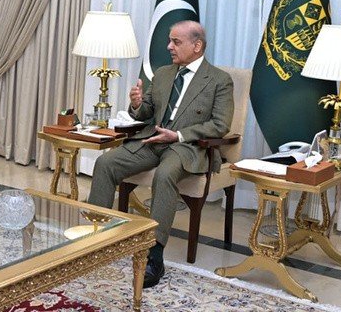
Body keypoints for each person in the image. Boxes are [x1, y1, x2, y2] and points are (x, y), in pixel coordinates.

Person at [87, 20, 234, 288]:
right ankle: (95, 239)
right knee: (106, 162)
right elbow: (146, 112)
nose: (169, 46)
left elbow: (220, 125)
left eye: (176, 42)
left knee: (165, 174)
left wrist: (178, 135)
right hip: (152, 140)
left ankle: (154, 256)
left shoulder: (219, 80)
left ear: (197, 46)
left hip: (187, 146)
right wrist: (137, 104)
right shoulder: (163, 74)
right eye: (170, 40)